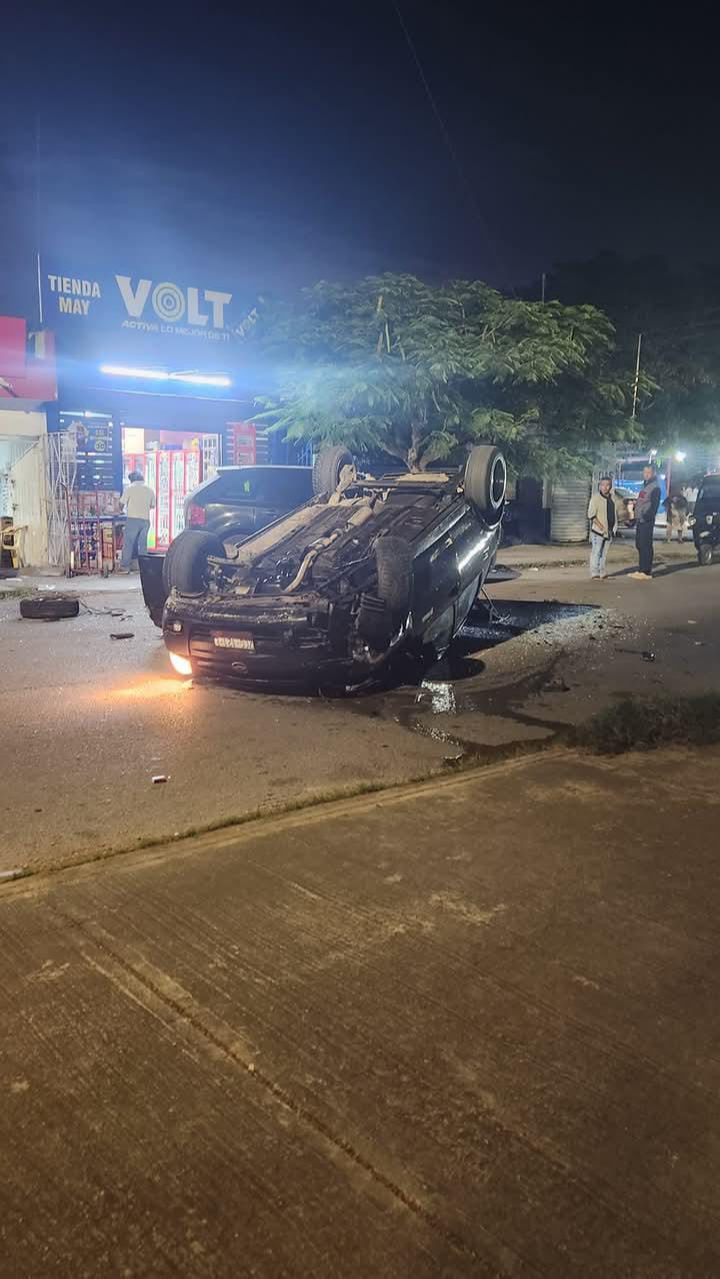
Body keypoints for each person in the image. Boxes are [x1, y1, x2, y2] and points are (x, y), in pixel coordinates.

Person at [119, 469, 155, 572]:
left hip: (132, 519)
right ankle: (143, 568)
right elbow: (152, 506)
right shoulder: (150, 490)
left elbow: (121, 503)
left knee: (128, 543)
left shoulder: (130, 489)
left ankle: (125, 567)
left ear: (132, 480)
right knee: (143, 544)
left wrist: (121, 510)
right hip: (145, 521)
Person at [629, 465, 661, 579]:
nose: (646, 474)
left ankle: (646, 571)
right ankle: (641, 569)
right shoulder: (645, 486)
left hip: (646, 520)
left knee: (645, 545)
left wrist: (646, 516)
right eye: (645, 472)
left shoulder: (655, 487)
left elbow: (654, 505)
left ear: (653, 473)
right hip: (640, 520)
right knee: (639, 544)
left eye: (649, 472)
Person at [587, 476, 618, 578]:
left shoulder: (612, 499)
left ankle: (602, 572)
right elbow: (591, 515)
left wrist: (613, 528)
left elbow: (614, 514)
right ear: (599, 486)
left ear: (610, 486)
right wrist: (601, 526)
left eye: (607, 485)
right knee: (596, 552)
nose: (605, 487)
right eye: (603, 485)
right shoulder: (595, 498)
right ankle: (594, 572)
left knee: (604, 554)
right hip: (598, 531)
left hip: (609, 531)